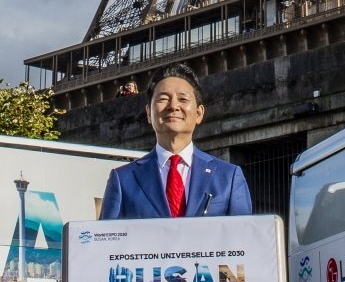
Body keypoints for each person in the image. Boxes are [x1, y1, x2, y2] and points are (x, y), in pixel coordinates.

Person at [100, 63, 252, 219]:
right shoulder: (123, 180)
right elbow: (108, 234)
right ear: (149, 113)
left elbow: (244, 232)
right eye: (163, 99)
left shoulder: (229, 177)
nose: (173, 106)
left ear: (199, 113)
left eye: (183, 99)